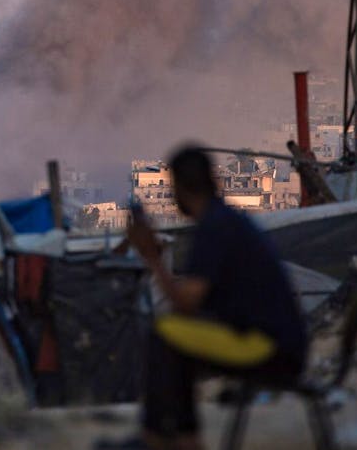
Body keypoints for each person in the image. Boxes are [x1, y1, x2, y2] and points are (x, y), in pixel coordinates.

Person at [115, 145, 308, 450]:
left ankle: (162, 438)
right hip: (278, 344)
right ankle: (179, 437)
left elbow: (186, 304)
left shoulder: (215, 228)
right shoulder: (225, 220)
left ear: (180, 186)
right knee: (174, 336)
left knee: (164, 335)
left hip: (268, 348)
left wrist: (151, 256)